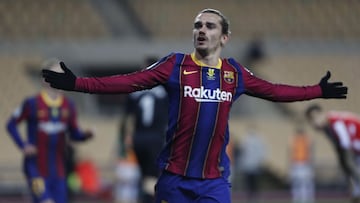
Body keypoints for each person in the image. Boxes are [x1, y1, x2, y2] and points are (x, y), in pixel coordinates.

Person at [42, 8, 348, 203]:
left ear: (224, 37)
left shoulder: (234, 73)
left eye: (210, 26)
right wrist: (77, 83)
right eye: (198, 25)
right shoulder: (174, 65)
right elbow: (128, 82)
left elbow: (275, 91)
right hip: (174, 180)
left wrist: (316, 90)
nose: (202, 29)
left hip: (213, 182)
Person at [6, 58, 93, 203]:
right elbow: (11, 125)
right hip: (35, 169)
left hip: (58, 170)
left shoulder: (68, 106)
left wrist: (85, 135)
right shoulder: (32, 104)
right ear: (44, 79)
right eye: (55, 74)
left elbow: (75, 134)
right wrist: (23, 145)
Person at [117, 56, 168, 203]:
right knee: (152, 177)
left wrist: (123, 140)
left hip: (138, 138)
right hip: (155, 137)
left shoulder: (135, 89)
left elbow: (126, 119)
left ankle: (145, 197)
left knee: (144, 176)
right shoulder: (165, 89)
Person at [305, 104, 360, 203]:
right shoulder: (327, 126)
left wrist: (346, 163)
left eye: (315, 117)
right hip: (355, 149)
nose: (314, 122)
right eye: (311, 120)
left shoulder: (335, 121)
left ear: (321, 114)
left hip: (355, 148)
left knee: (350, 167)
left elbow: (345, 144)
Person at [238, 125, 267, 203]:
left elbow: (243, 153)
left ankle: (252, 198)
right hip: (252, 165)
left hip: (251, 165)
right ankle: (253, 198)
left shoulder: (247, 140)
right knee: (253, 184)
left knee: (252, 184)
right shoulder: (254, 140)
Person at [288, 126, 314, 203]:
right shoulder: (297, 140)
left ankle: (304, 199)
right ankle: (300, 199)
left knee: (303, 183)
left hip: (303, 163)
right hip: (299, 163)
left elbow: (310, 151)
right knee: (299, 183)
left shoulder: (304, 139)